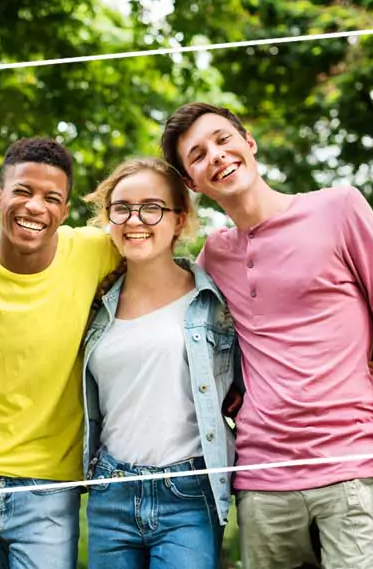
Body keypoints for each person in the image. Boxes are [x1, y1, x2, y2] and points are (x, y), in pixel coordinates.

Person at [160, 102, 373, 568]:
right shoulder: (214, 257)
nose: (217, 155)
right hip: (260, 484)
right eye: (198, 155)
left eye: (223, 140)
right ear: (192, 182)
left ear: (249, 143)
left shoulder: (339, 208)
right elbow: (195, 348)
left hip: (351, 470)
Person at [0, 137, 122, 568]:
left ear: (65, 209)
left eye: (51, 198)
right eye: (22, 191)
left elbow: (158, 256)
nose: (35, 207)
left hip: (50, 486)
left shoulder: (96, 251)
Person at [80, 157, 237, 568]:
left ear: (179, 220)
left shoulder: (213, 303)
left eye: (151, 208)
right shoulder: (94, 306)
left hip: (188, 493)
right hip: (111, 493)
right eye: (122, 208)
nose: (135, 220)